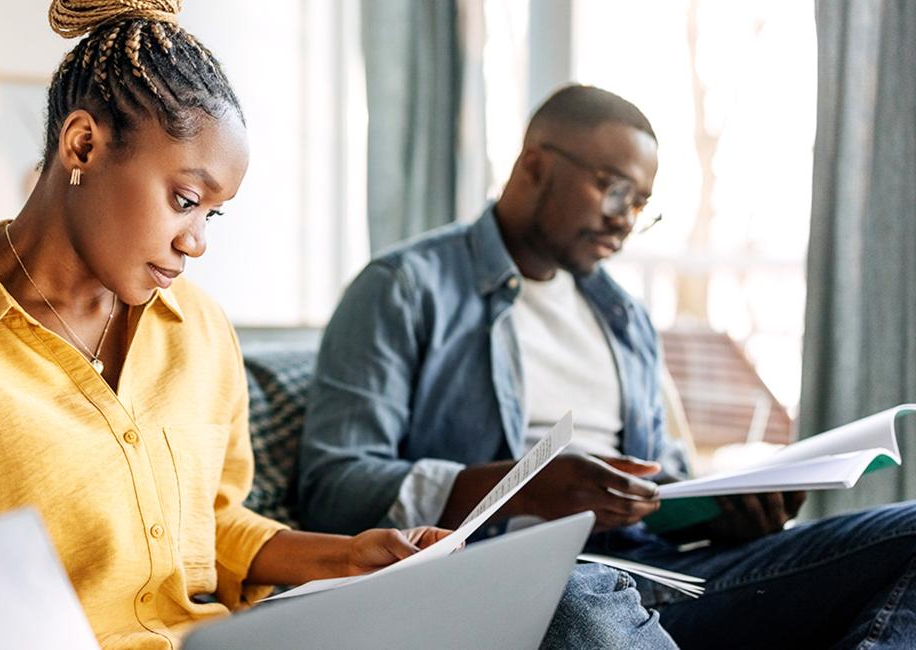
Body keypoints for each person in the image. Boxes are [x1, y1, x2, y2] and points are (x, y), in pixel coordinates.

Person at [0, 2, 455, 648]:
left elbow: (211, 526)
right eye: (185, 199)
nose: (197, 241)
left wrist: (347, 558)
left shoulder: (199, 329)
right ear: (83, 145)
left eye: (212, 214)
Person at [299, 83, 916, 649]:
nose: (625, 218)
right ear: (534, 166)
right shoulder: (404, 288)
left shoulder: (624, 317)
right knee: (574, 598)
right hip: (515, 579)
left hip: (656, 573)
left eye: (641, 204)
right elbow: (333, 487)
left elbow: (661, 483)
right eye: (615, 189)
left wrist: (726, 514)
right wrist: (522, 487)